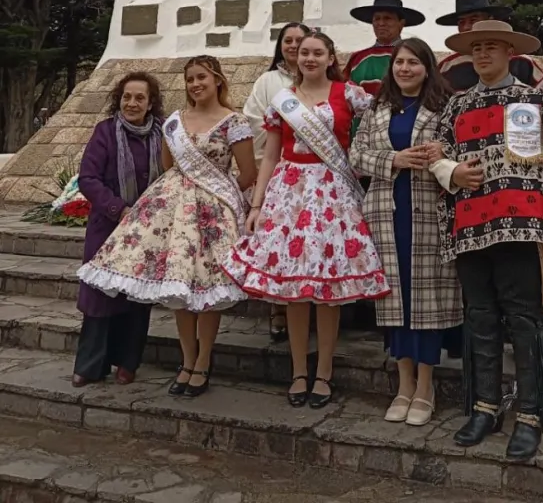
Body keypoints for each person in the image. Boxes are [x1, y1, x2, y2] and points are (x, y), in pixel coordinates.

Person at [430, 20, 543, 461]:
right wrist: (452, 172)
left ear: (509, 53)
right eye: (476, 48)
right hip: (472, 223)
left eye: (491, 48)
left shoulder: (535, 99)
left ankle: (532, 413)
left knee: (523, 317)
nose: (482, 55)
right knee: (479, 316)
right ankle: (484, 407)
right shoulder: (458, 106)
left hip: (522, 226)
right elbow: (437, 154)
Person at [222, 30, 390, 410]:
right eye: (304, 53)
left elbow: (383, 122)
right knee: (294, 293)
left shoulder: (349, 95)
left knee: (327, 295)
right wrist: (257, 205)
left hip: (334, 195)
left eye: (318, 52)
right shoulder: (283, 100)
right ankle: (299, 371)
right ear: (296, 58)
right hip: (290, 195)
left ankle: (324, 372)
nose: (310, 58)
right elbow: (270, 156)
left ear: (331, 57)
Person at [78, 56, 257, 399]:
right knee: (178, 289)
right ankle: (186, 361)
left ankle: (203, 362)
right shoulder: (173, 122)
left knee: (207, 291)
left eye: (201, 77)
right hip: (174, 212)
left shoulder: (235, 122)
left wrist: (219, 199)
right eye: (189, 78)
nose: (195, 84)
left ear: (217, 80)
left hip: (213, 213)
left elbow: (247, 173)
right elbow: (168, 166)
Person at [350, 38, 462, 427]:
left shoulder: (445, 106)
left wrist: (439, 154)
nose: (405, 69)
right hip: (387, 210)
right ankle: (403, 383)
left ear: (428, 67)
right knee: (395, 298)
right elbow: (356, 154)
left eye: (413, 62)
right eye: (399, 62)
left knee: (425, 297)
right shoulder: (378, 108)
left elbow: (459, 151)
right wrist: (393, 159)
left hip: (429, 210)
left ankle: (425, 386)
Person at [72, 72, 165, 388]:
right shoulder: (105, 133)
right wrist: (118, 208)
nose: (132, 103)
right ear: (119, 99)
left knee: (136, 296)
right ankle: (90, 365)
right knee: (99, 297)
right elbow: (88, 178)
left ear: (151, 103)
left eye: (140, 97)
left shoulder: (163, 134)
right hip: (107, 228)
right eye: (127, 97)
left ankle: (128, 363)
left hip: (146, 229)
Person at [243, 22, 310, 341]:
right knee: (279, 243)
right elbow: (255, 120)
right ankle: (278, 308)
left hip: (313, 178)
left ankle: (307, 302)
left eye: (301, 40)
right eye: (288, 40)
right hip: (279, 174)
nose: (294, 46)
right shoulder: (268, 81)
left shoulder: (322, 79)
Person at [436, 0, 543, 92]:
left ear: (490, 19)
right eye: (461, 22)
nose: (466, 27)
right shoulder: (447, 67)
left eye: (473, 20)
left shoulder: (522, 63)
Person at [344, 0, 425, 98]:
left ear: (401, 23)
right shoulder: (357, 59)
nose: (381, 23)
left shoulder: (415, 55)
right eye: (377, 19)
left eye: (387, 18)